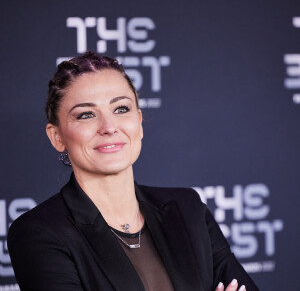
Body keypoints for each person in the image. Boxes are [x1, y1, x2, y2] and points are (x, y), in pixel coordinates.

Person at [8, 52, 259, 291]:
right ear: (57, 137)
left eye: (121, 109)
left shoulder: (187, 208)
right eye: (86, 114)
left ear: (138, 122)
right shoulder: (39, 232)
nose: (109, 127)